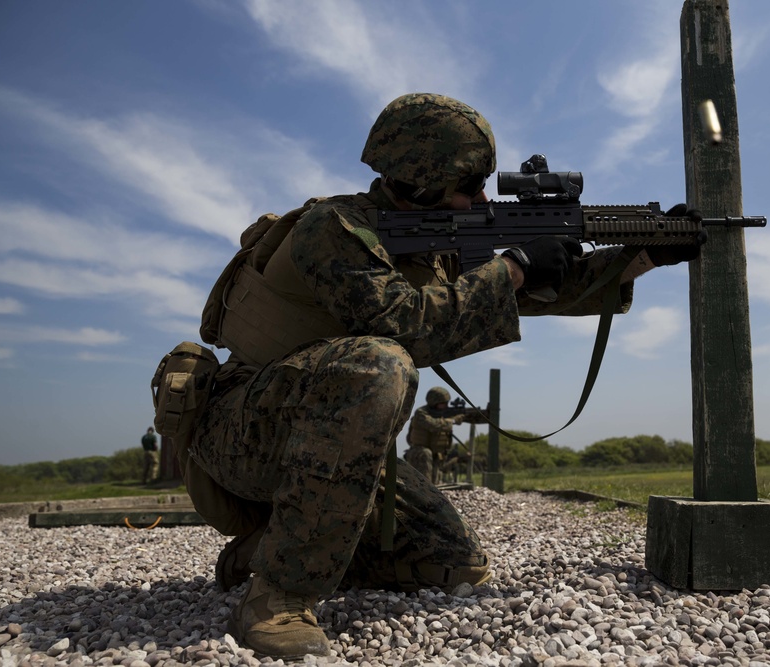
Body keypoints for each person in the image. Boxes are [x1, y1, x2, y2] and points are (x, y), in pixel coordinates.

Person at [188, 92, 700, 659]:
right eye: (468, 185)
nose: (481, 198)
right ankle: (278, 595)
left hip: (333, 445)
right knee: (378, 363)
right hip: (245, 431)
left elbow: (536, 290)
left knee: (453, 564)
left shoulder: (439, 241)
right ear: (418, 181)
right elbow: (401, 325)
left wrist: (643, 254)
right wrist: (513, 269)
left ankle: (269, 546)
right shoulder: (330, 228)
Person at [405, 387, 465, 484]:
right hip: (420, 454)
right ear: (434, 402)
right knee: (423, 484)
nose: (446, 406)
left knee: (434, 486)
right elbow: (433, 425)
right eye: (443, 403)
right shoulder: (421, 413)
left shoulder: (443, 414)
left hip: (435, 454)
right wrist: (453, 420)